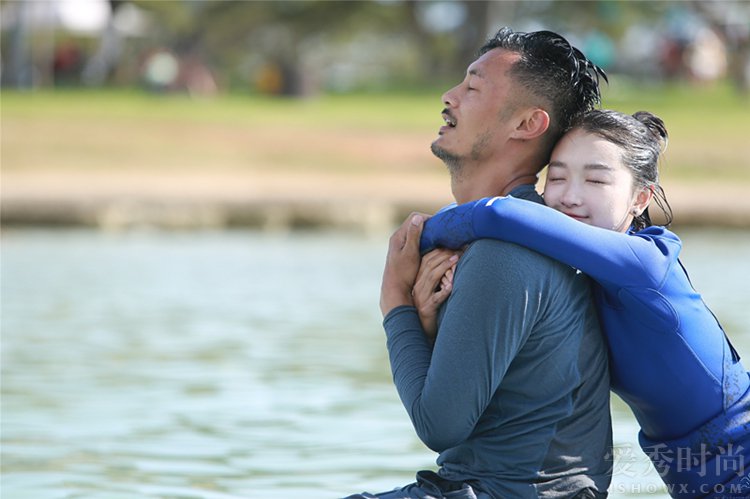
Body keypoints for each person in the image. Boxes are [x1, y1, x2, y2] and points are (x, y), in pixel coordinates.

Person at [418, 109, 750, 498]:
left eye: (595, 179)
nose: (569, 197)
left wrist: (417, 240)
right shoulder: (579, 280)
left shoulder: (647, 266)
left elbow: (501, 214)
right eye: (556, 178)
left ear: (640, 199)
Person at [345, 28, 613, 499]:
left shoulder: (505, 254)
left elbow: (439, 425)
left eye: (472, 88)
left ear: (527, 124)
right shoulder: (491, 238)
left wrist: (395, 304)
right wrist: (424, 327)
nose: (449, 97)